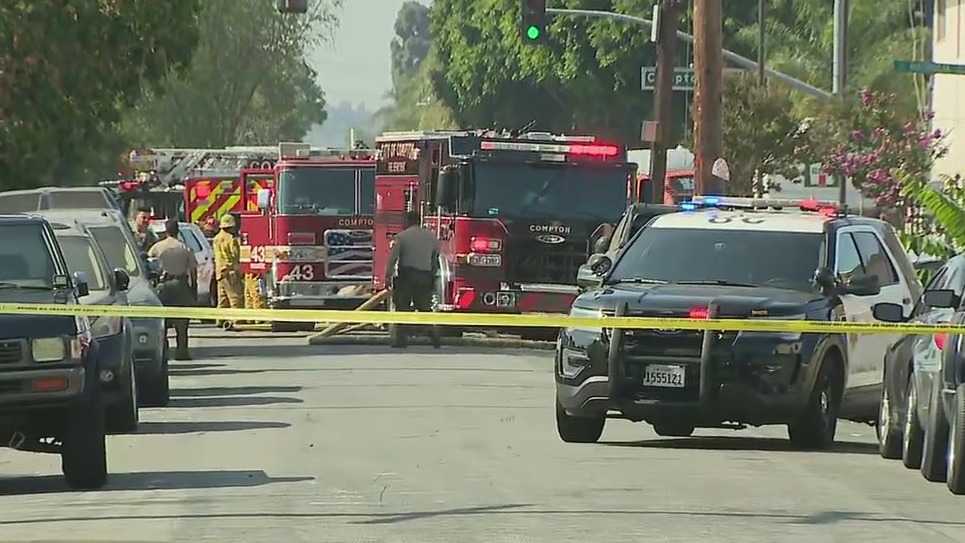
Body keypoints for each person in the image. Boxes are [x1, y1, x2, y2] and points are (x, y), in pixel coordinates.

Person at [384, 210, 441, 348]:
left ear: (407, 221)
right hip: (424, 276)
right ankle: (434, 337)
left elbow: (393, 259)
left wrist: (387, 276)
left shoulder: (402, 237)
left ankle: (401, 339)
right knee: (425, 309)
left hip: (406, 277)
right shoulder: (431, 237)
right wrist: (431, 274)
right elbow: (436, 257)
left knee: (402, 308)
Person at [148, 220, 197, 360]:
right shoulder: (185, 248)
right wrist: (193, 287)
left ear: (166, 230)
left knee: (162, 321)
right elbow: (193, 270)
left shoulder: (157, 248)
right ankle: (182, 352)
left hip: (162, 285)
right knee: (182, 322)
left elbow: (148, 264)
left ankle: (162, 352)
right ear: (177, 231)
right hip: (180, 285)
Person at [212, 214, 244, 327]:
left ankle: (220, 319)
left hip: (220, 272)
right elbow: (236, 255)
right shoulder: (231, 239)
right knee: (235, 297)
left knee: (223, 298)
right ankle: (237, 320)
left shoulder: (216, 239)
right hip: (230, 271)